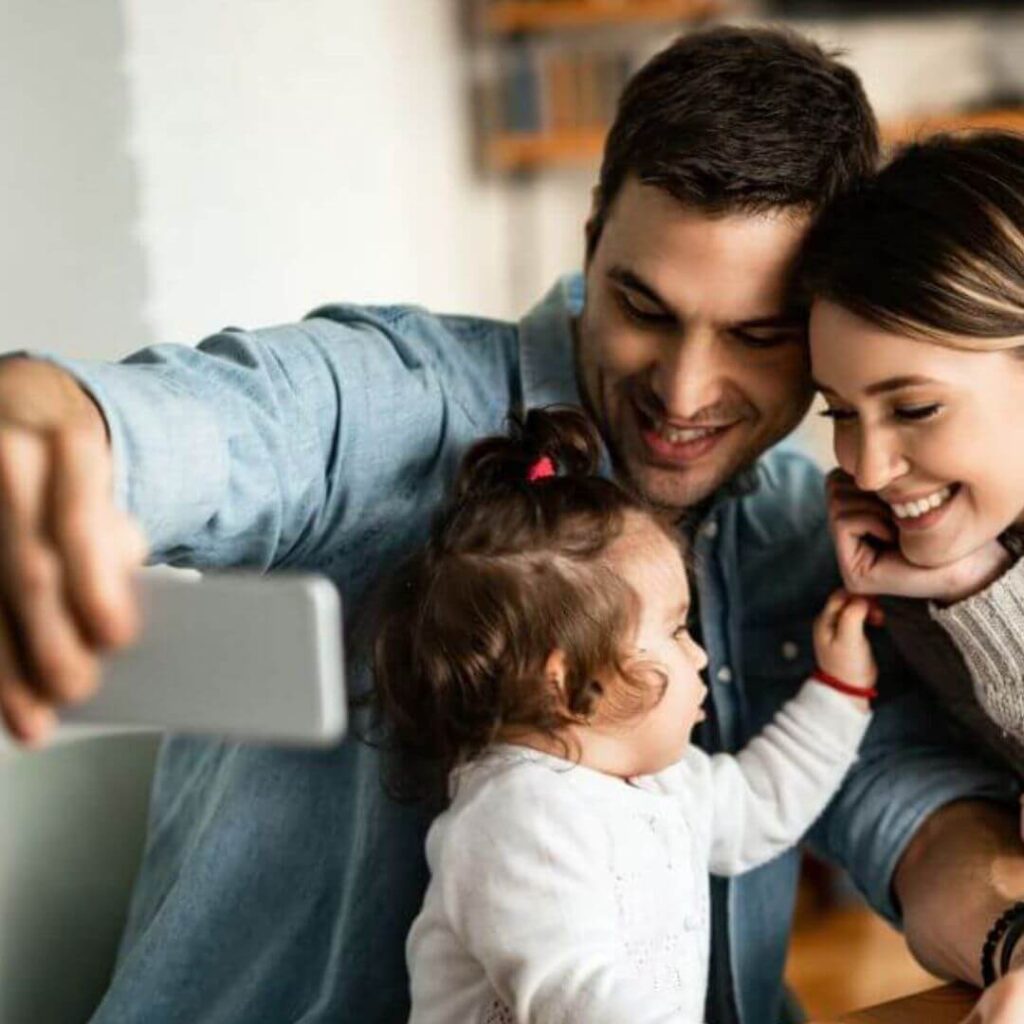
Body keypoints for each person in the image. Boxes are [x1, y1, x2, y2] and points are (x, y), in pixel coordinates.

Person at [1, 24, 1024, 1024]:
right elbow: (200, 423)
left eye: (757, 336)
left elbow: (903, 805)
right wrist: (47, 429)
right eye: (643, 306)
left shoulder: (810, 534)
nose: (684, 389)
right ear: (590, 240)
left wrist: (1009, 939)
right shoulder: (401, 403)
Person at [375, 406, 876, 1023]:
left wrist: (839, 688)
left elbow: (755, 809)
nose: (698, 655)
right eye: (674, 631)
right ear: (566, 683)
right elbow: (580, 992)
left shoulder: (659, 780)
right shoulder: (517, 817)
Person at [802, 132, 1024, 780]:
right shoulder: (915, 573)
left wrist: (979, 593)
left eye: (915, 409)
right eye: (840, 412)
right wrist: (965, 584)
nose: (867, 471)